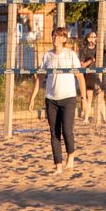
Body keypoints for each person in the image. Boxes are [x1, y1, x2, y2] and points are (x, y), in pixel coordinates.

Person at [38, 27, 86, 174]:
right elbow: (40, 77)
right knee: (54, 133)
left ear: (64, 39)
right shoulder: (47, 56)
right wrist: (33, 97)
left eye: (59, 36)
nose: (55, 38)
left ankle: (71, 155)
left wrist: (83, 98)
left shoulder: (70, 55)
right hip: (51, 99)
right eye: (54, 35)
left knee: (67, 130)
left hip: (68, 98)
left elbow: (80, 77)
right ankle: (58, 166)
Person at [80, 32, 106, 124]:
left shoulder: (99, 49)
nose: (95, 38)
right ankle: (86, 118)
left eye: (96, 37)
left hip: (99, 73)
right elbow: (82, 65)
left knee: (101, 97)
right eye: (93, 37)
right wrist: (91, 60)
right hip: (89, 74)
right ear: (88, 39)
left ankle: (104, 117)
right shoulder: (85, 50)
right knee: (89, 97)